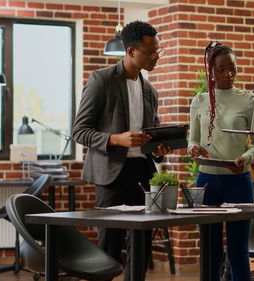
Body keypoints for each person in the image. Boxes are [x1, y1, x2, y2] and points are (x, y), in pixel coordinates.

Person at [72, 20, 171, 281]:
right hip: (111, 176)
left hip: (144, 174)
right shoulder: (101, 80)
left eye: (158, 51)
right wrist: (117, 139)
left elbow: (153, 133)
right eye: (150, 52)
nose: (156, 57)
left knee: (142, 250)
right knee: (109, 250)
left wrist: (159, 149)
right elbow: (79, 131)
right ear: (130, 51)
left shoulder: (150, 90)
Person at [188, 41, 254, 281]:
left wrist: (245, 158)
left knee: (238, 252)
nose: (228, 74)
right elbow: (192, 140)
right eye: (221, 69)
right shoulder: (199, 101)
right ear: (211, 71)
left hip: (239, 182)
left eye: (232, 68)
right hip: (206, 182)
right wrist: (193, 148)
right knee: (210, 252)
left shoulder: (249, 100)